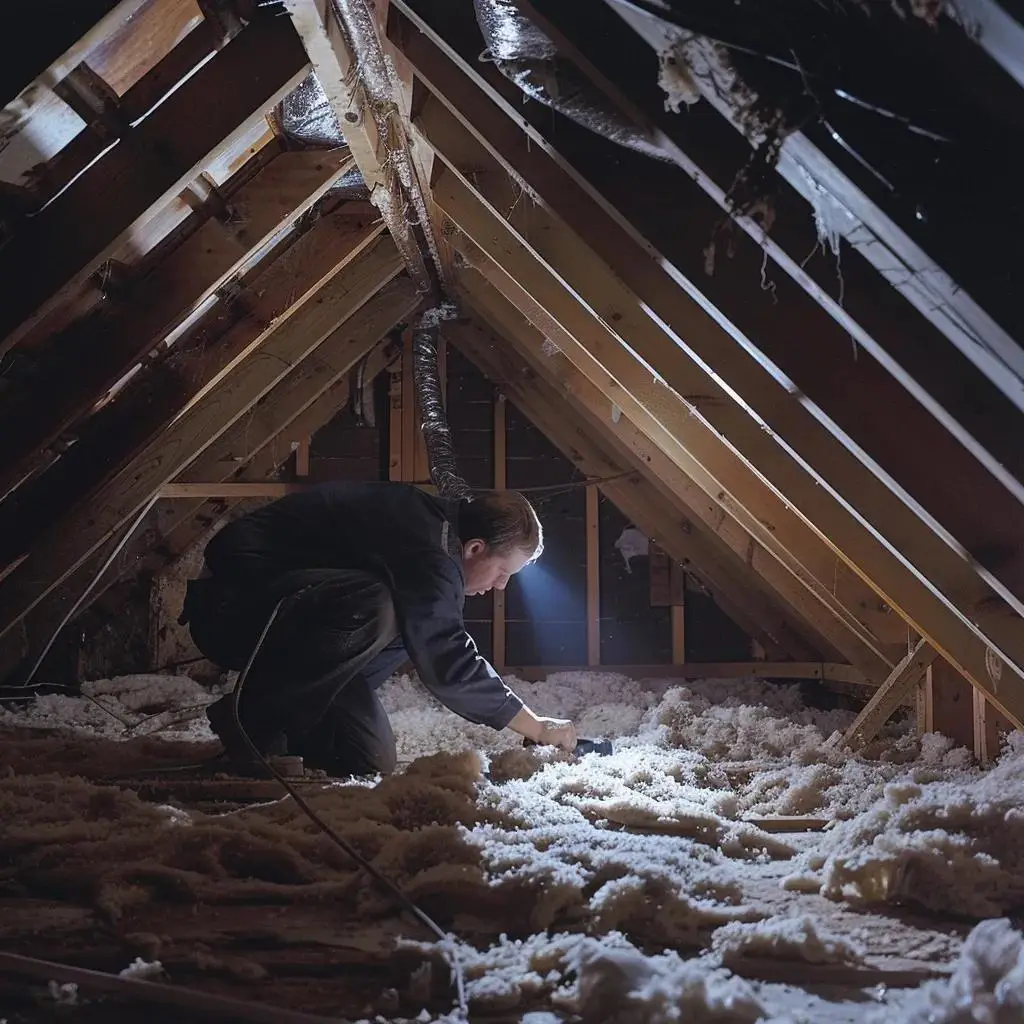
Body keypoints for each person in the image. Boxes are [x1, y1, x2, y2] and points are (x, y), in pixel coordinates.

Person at [179, 480, 577, 775]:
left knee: (367, 763)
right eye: (503, 571)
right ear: (474, 548)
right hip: (233, 609)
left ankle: (290, 725)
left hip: (293, 629)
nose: (500, 585)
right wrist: (536, 726)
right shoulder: (430, 550)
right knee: (378, 604)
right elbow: (447, 657)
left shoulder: (435, 546)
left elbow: (434, 638)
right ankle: (255, 722)